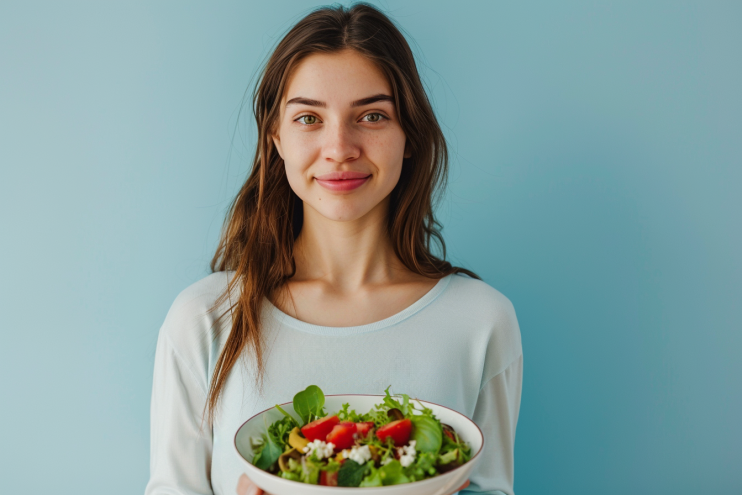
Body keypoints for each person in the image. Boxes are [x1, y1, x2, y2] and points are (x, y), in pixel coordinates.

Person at [144, 3, 523, 495]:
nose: (340, 147)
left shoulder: (482, 320)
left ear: (408, 134)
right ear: (275, 137)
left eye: (371, 115)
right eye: (308, 118)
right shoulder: (205, 319)